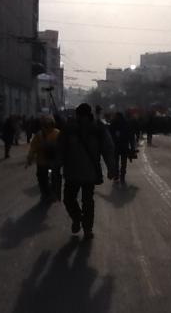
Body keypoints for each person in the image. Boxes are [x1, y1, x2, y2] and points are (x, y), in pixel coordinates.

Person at [58, 103, 117, 240]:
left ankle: (79, 219)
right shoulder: (95, 128)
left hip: (73, 172)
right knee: (87, 202)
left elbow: (60, 149)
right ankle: (87, 227)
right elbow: (108, 149)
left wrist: (57, 166)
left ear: (77, 114)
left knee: (69, 199)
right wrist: (111, 168)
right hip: (87, 173)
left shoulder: (71, 128)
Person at [26, 115, 61, 202]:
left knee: (43, 178)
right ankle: (51, 194)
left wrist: (30, 159)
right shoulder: (57, 133)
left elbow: (33, 148)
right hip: (52, 161)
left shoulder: (40, 134)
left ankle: (47, 194)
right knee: (50, 178)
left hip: (43, 162)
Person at [109, 112, 136, 185]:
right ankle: (122, 175)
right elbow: (131, 136)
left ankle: (116, 175)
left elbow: (109, 136)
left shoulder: (113, 124)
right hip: (124, 146)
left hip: (116, 146)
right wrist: (133, 147)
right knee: (123, 162)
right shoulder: (126, 124)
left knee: (116, 161)